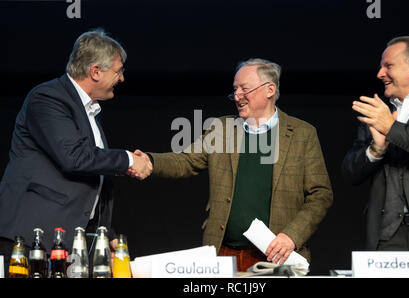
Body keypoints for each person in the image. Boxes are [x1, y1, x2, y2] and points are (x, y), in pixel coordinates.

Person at [132, 58, 333, 272]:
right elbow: (185, 160)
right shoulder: (223, 129)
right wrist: (149, 161)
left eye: (244, 89)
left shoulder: (302, 134)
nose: (237, 96)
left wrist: (292, 235)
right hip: (224, 255)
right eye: (235, 89)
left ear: (270, 89)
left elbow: (320, 194)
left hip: (276, 257)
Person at [0, 29, 152, 276]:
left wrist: (106, 234)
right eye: (118, 71)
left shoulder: (89, 111)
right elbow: (74, 157)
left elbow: (90, 181)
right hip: (31, 241)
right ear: (95, 72)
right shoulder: (47, 98)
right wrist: (127, 159)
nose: (122, 78)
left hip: (67, 243)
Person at [342, 36, 409, 266]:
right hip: (386, 236)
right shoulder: (379, 112)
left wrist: (392, 128)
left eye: (388, 66)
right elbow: (349, 172)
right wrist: (377, 149)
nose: (380, 73)